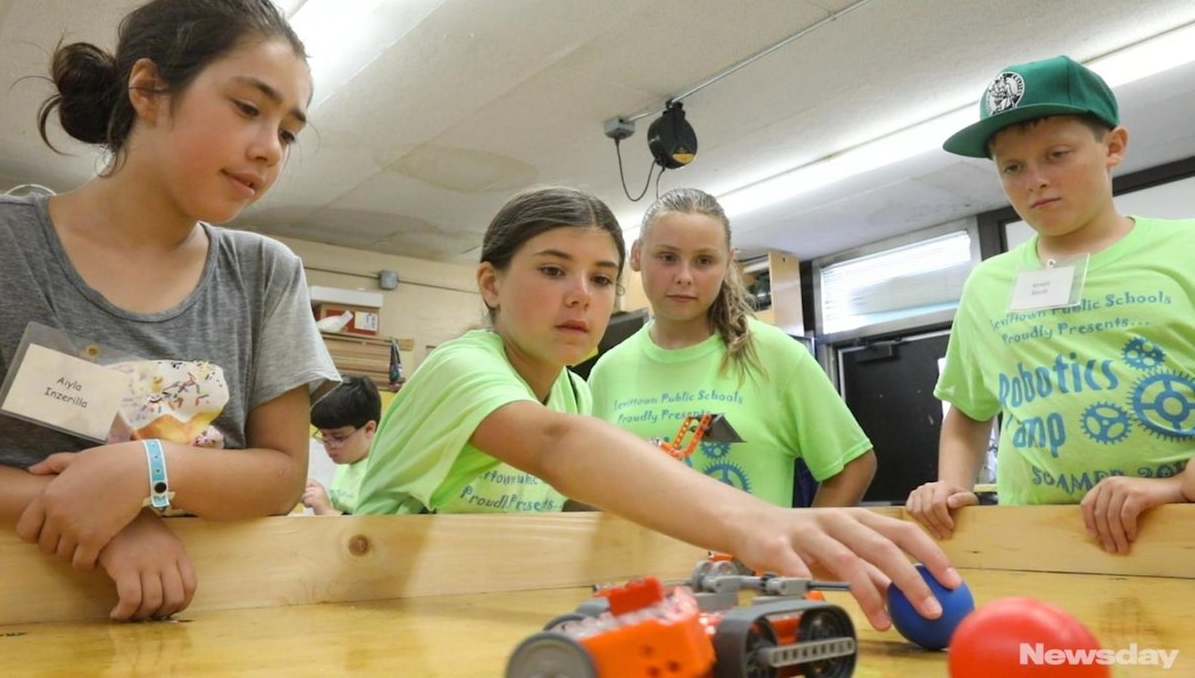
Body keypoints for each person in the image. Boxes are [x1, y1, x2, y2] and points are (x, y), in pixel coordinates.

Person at [0, 0, 339, 620]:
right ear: (147, 91)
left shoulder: (266, 274)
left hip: (209, 623)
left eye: (288, 133)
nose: (270, 148)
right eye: (249, 107)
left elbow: (280, 475)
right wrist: (103, 512)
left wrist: (148, 471)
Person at [355, 186, 959, 630]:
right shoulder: (462, 366)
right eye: (551, 270)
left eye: (600, 279)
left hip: (489, 612)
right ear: (491, 284)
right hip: (373, 608)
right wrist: (763, 521)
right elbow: (556, 446)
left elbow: (583, 499)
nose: (579, 295)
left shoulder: (573, 389)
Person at [906, 55, 1195, 553]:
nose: (1034, 179)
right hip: (1041, 543)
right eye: (1012, 167)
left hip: (1175, 528)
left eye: (1057, 154)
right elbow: (970, 410)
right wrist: (952, 487)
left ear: (1114, 147)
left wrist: (1177, 488)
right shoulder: (988, 283)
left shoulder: (1185, 249)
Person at [588, 188, 876, 508]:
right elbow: (594, 483)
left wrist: (806, 550)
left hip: (747, 560)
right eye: (668, 257)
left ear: (728, 262)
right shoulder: (608, 371)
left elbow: (853, 464)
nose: (684, 276)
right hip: (635, 559)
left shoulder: (772, 353)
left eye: (704, 261)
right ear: (638, 254)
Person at [302, 375, 382, 516]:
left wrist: (324, 509)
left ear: (369, 429)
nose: (329, 445)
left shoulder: (378, 474)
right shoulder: (348, 462)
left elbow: (368, 531)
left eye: (338, 437)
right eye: (324, 436)